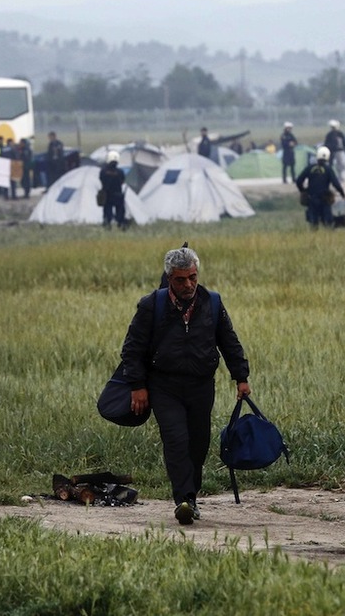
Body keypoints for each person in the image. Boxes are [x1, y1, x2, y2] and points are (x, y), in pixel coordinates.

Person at [120, 247, 251, 525]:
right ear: (169, 278)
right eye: (181, 280)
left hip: (201, 386)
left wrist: (241, 377)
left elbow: (229, 342)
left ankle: (191, 496)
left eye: (192, 277)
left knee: (198, 444)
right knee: (176, 441)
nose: (188, 284)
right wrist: (137, 386)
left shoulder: (212, 302)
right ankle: (184, 500)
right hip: (164, 386)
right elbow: (132, 349)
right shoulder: (151, 305)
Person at [296, 146, 345, 229]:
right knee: (328, 224)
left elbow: (299, 181)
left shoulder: (309, 168)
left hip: (311, 199)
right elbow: (336, 184)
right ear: (328, 157)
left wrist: (304, 191)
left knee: (313, 225)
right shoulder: (328, 169)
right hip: (324, 200)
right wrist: (342, 193)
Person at [99, 150, 128, 229]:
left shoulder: (103, 171)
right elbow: (122, 181)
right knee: (120, 210)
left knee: (107, 210)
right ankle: (120, 223)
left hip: (107, 194)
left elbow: (101, 179)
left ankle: (107, 223)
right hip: (118, 194)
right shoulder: (120, 172)